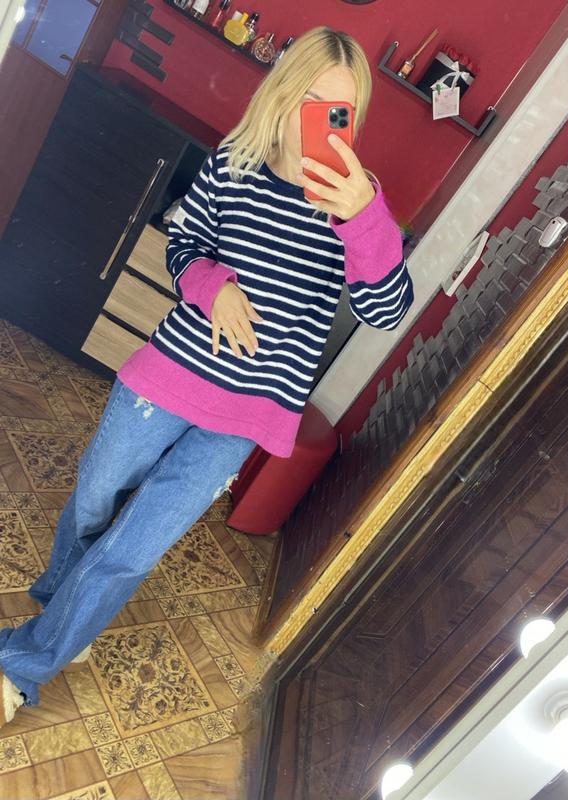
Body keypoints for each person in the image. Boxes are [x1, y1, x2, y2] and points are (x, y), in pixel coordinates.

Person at [0, 25, 413, 726]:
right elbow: (184, 243)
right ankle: (60, 608)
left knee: (136, 546)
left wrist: (363, 219)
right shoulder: (234, 164)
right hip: (168, 376)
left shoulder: (356, 204)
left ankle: (24, 664)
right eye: (311, 98)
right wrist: (213, 287)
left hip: (247, 413)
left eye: (340, 108)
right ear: (284, 91)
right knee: (97, 495)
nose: (321, 118)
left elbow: (387, 309)